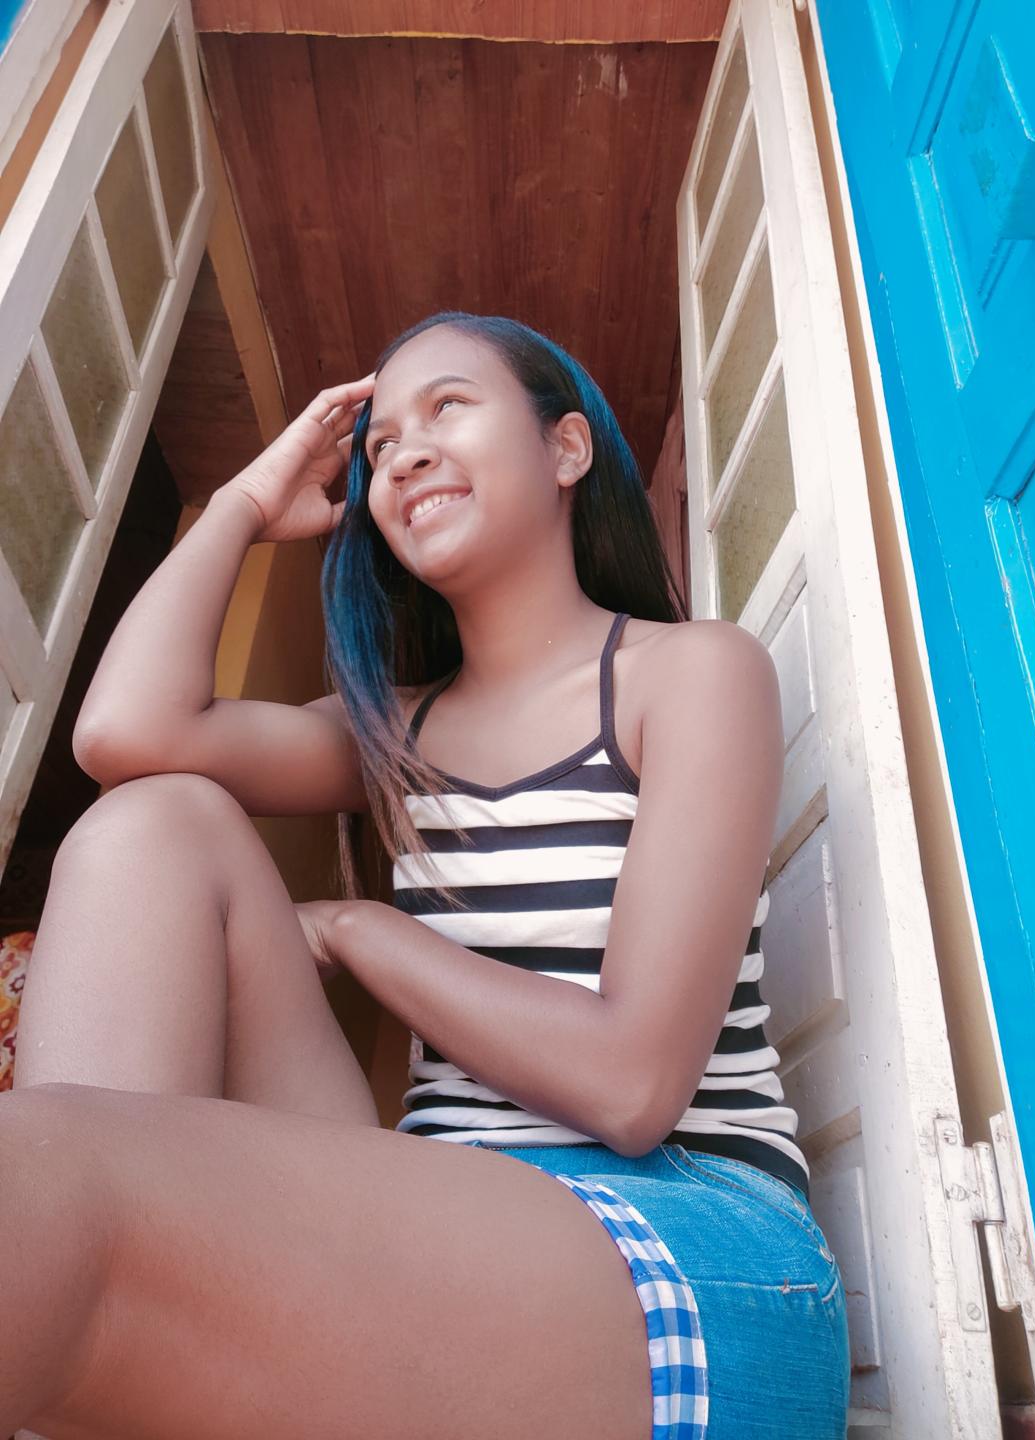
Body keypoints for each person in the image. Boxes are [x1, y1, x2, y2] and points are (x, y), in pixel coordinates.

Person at [2, 312, 850, 1439]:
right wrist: (248, 502)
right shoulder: (391, 736)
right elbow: (125, 733)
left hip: (686, 1231)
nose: (401, 454)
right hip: (436, 1226)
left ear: (566, 449)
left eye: (448, 406)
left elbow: (631, 1087)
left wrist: (358, 928)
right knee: (151, 823)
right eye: (380, 444)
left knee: (54, 1183)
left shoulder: (688, 673)